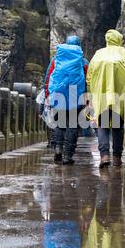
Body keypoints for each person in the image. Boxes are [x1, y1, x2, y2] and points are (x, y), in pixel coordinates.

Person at [86, 29, 125, 168]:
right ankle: (117, 157)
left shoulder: (98, 54)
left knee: (103, 125)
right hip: (120, 96)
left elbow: (89, 78)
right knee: (117, 126)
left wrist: (90, 96)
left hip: (102, 97)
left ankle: (104, 156)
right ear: (119, 39)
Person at [47, 36, 89, 165]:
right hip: (75, 95)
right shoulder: (83, 61)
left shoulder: (56, 59)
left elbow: (48, 76)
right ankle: (67, 155)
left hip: (58, 93)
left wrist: (48, 94)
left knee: (59, 123)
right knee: (72, 125)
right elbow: (88, 80)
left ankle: (58, 149)